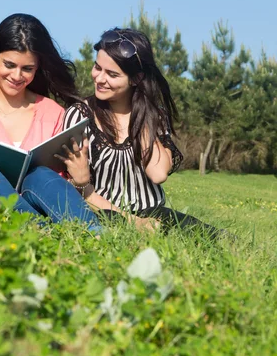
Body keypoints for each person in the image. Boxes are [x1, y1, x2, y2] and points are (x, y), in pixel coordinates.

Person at [0, 14, 101, 233]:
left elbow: (59, 187)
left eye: (27, 69)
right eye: (9, 64)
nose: (17, 76)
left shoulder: (54, 113)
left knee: (41, 175)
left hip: (42, 201)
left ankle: (95, 233)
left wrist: (81, 178)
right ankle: (40, 233)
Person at [60, 27, 223, 237]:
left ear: (135, 79)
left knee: (209, 236)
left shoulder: (153, 115)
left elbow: (158, 173)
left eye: (112, 74)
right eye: (97, 67)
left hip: (154, 212)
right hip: (102, 211)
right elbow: (78, 186)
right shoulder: (79, 115)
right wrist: (134, 222)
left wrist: (142, 114)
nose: (99, 79)